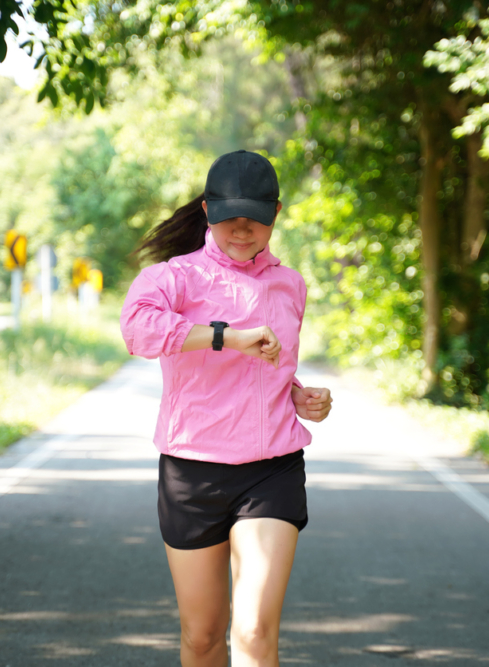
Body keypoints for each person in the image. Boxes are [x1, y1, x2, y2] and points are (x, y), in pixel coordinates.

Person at [120, 150, 333, 667]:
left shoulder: (290, 285)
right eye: (229, 216)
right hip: (192, 472)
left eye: (255, 217)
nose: (242, 229)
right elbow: (137, 331)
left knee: (256, 632)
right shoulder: (174, 278)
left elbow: (272, 365)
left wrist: (299, 395)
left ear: (276, 213)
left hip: (271, 471)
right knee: (202, 637)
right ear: (207, 210)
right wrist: (227, 337)